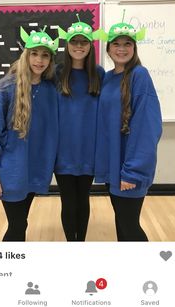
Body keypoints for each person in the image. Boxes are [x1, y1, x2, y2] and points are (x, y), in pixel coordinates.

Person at [0, 27, 59, 241]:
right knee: (17, 225)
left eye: (45, 55)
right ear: (26, 55)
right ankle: (10, 270)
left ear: (50, 60)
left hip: (35, 170)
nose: (39, 60)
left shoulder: (51, 89)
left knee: (21, 222)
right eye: (34, 53)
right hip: (11, 173)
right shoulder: (6, 89)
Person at [95, 15, 162, 241]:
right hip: (114, 167)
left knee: (129, 225)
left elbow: (147, 127)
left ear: (134, 47)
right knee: (121, 224)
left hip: (129, 168)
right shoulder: (107, 78)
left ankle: (151, 274)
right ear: (108, 48)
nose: (121, 49)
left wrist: (133, 171)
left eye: (127, 44)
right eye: (116, 43)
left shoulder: (139, 76)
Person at [55, 15, 105, 241]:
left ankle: (80, 243)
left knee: (83, 199)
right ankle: (70, 244)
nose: (78, 46)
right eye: (74, 41)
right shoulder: (56, 74)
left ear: (90, 45)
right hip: (62, 152)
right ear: (67, 45)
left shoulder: (99, 74)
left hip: (89, 150)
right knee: (67, 201)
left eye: (83, 42)